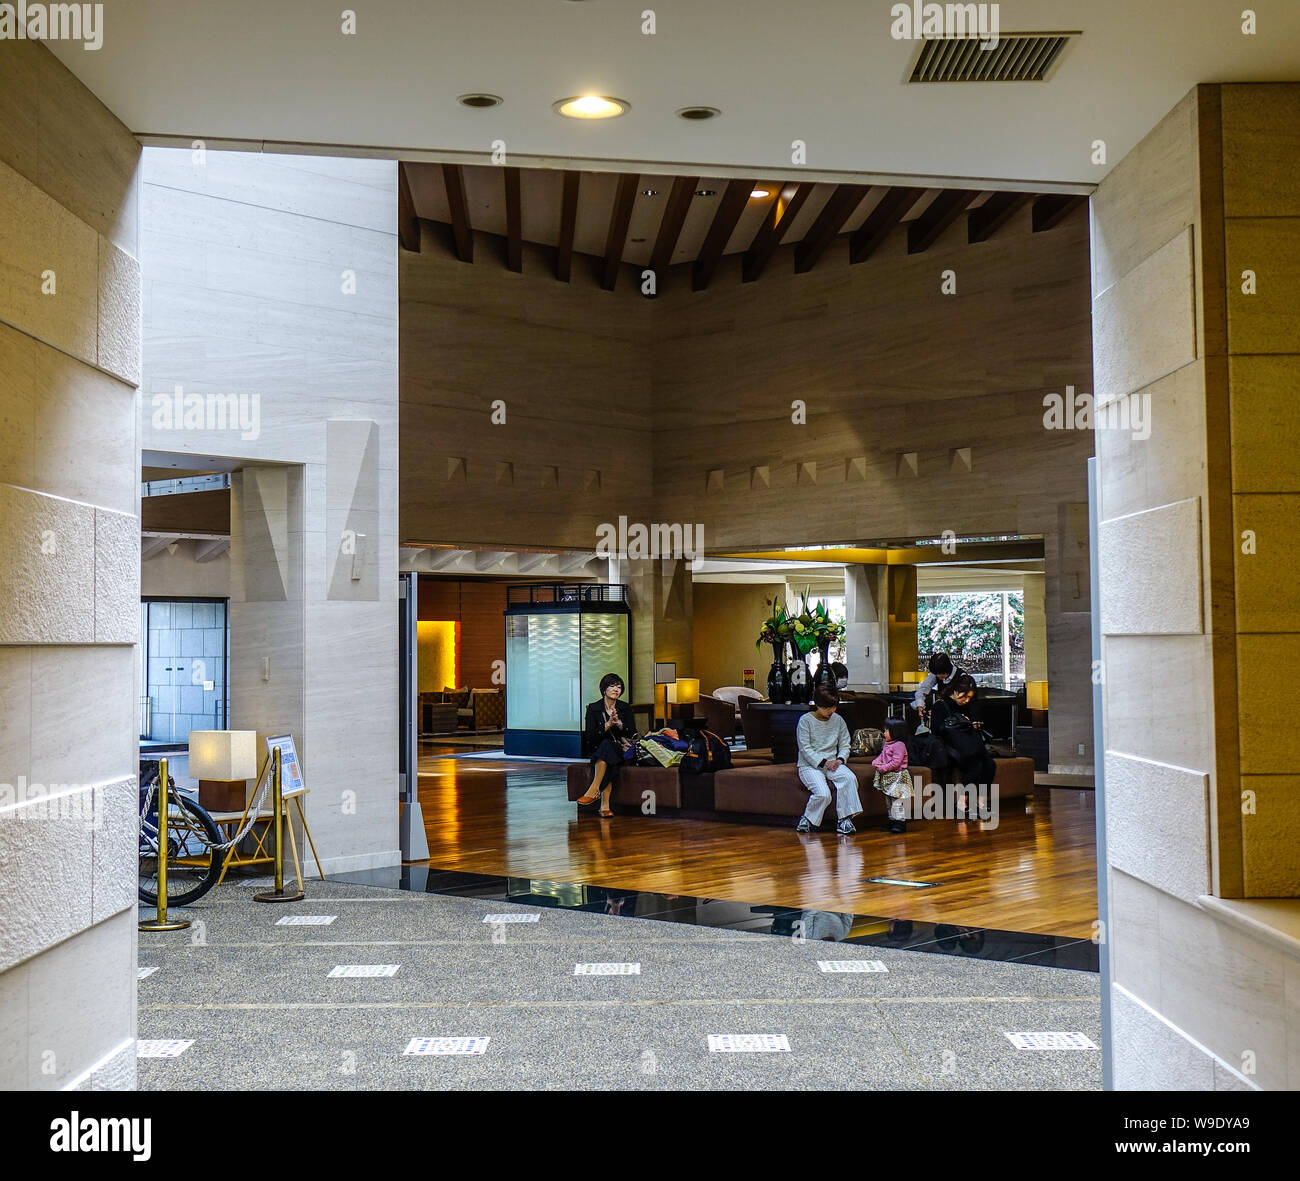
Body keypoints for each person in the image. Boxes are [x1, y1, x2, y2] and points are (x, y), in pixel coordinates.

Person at [794, 688, 863, 835]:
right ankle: (807, 819)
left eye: (834, 706)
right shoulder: (805, 721)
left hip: (833, 763)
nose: (831, 710)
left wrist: (840, 759)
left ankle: (844, 819)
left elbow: (845, 744)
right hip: (809, 765)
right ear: (817, 705)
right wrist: (824, 762)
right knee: (824, 794)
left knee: (849, 778)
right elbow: (805, 749)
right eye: (827, 707)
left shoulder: (838, 720)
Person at [930, 673, 996, 820]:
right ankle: (961, 803)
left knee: (990, 764)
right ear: (955, 692)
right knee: (975, 765)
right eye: (964, 697)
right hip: (950, 747)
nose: (966, 701)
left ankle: (980, 801)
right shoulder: (941, 706)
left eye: (969, 698)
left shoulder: (968, 706)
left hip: (968, 745)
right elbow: (936, 731)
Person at [576, 673, 636, 817]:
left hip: (621, 750)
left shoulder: (625, 708)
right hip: (599, 749)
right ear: (604, 689)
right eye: (612, 686)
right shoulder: (593, 708)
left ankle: (594, 790)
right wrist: (607, 725)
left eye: (619, 687)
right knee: (606, 754)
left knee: (608, 750)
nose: (616, 689)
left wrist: (620, 723)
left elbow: (633, 734)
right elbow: (590, 736)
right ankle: (604, 806)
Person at [871, 717, 913, 834]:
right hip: (889, 777)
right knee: (889, 800)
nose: (884, 733)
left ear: (896, 732)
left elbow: (896, 762)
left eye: (886, 730)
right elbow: (882, 756)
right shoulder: (888, 744)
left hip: (897, 776)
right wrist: (875, 762)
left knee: (896, 801)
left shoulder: (899, 745)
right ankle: (892, 820)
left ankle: (900, 822)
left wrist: (883, 768)